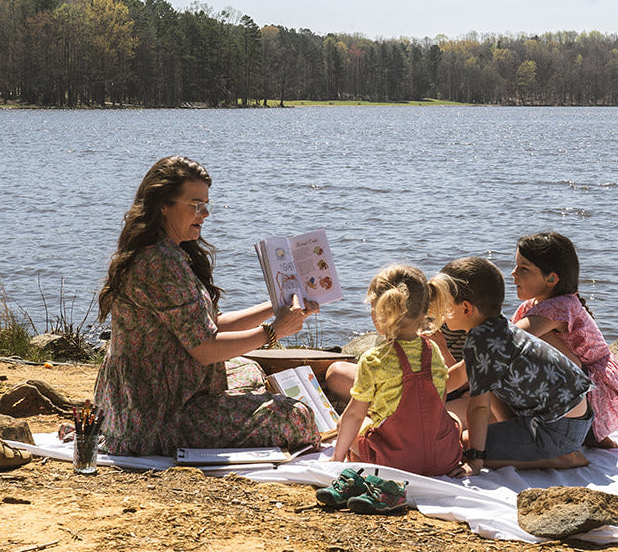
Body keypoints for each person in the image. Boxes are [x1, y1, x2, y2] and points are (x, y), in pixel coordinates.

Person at [94, 156, 321, 456]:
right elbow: (204, 349)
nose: (206, 213)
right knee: (297, 417)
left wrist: (275, 307)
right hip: (158, 412)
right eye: (196, 204)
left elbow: (210, 323)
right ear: (163, 204)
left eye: (206, 204)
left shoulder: (166, 252)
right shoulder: (161, 263)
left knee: (249, 370)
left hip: (148, 393)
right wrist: (273, 332)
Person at [438, 256, 593, 475]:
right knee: (485, 382)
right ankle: (522, 439)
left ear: (465, 309)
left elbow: (479, 407)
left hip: (558, 430)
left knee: (462, 443)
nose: (442, 315)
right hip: (575, 417)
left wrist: (476, 459)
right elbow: (463, 372)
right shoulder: (497, 327)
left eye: (445, 306)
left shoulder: (481, 343)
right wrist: (426, 390)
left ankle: (561, 459)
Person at [328, 264, 464, 477]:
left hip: (394, 461)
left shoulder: (374, 359)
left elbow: (355, 414)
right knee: (451, 418)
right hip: (441, 459)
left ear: (380, 312)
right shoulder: (433, 350)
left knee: (345, 423)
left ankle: (353, 458)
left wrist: (336, 458)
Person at [510, 232, 618, 448]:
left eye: (523, 268)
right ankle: (592, 435)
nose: (513, 273)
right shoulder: (534, 306)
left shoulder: (560, 306)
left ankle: (589, 429)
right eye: (516, 265)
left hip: (597, 393)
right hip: (585, 385)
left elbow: (508, 340)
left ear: (552, 278)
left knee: (529, 339)